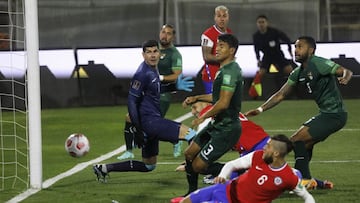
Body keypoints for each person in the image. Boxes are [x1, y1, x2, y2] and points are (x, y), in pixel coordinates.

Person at [245, 36, 353, 189]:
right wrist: (260, 109)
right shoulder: (298, 72)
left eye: (300, 47)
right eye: (295, 47)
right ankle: (307, 181)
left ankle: (304, 180)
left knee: (296, 140)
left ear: (311, 50)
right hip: (326, 114)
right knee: (304, 144)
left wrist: (345, 77)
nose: (296, 50)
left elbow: (345, 71)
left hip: (335, 115)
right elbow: (281, 94)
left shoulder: (319, 63)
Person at [93, 40, 196, 182]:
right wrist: (138, 128)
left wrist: (173, 87)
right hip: (150, 122)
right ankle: (194, 173)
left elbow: (154, 89)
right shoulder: (142, 73)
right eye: (149, 52)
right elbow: (131, 101)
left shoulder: (152, 70)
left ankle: (104, 168)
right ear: (143, 55)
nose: (152, 55)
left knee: (149, 166)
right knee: (192, 135)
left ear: (160, 54)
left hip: (150, 121)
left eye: (155, 51)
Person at [178, 101, 333, 189]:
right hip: (264, 143)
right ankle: (313, 181)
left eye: (195, 107)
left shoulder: (207, 120)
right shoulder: (230, 112)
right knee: (274, 172)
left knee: (238, 180)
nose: (193, 111)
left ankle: (308, 181)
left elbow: (206, 148)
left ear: (206, 105)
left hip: (256, 148)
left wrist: (189, 164)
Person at [179, 33, 243, 197]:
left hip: (227, 128)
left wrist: (203, 117)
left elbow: (223, 103)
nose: (217, 49)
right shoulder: (223, 70)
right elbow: (217, 97)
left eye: (222, 46)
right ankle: (191, 193)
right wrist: (197, 97)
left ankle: (239, 171)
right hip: (217, 125)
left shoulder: (230, 72)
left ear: (232, 50)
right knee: (189, 154)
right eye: (217, 45)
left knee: (198, 167)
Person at [180, 134, 316, 203]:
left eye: (268, 146)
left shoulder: (288, 177)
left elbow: (307, 196)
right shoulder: (258, 156)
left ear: (276, 153)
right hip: (224, 188)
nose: (264, 147)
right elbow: (232, 165)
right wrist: (223, 175)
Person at [117, 24, 184, 160]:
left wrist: (161, 80)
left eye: (169, 33)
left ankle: (175, 139)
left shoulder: (175, 54)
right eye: (163, 32)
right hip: (149, 92)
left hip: (162, 95)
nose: (165, 35)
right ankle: (129, 150)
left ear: (173, 36)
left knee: (153, 126)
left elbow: (177, 75)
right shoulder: (154, 49)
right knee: (130, 117)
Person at [250, 14, 293, 98]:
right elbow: (256, 49)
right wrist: (258, 59)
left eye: (263, 22)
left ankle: (294, 91)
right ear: (257, 24)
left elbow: (287, 39)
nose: (261, 24)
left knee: (290, 71)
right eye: (259, 22)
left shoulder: (274, 32)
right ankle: (255, 95)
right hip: (267, 56)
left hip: (278, 54)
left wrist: (289, 50)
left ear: (267, 23)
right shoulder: (256, 36)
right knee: (260, 74)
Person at [200, 5, 232, 94]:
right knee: (213, 104)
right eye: (219, 16)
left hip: (225, 75)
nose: (222, 19)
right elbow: (206, 57)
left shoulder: (229, 33)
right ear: (215, 18)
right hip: (211, 75)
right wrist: (224, 59)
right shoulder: (208, 34)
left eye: (224, 16)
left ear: (228, 17)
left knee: (225, 104)